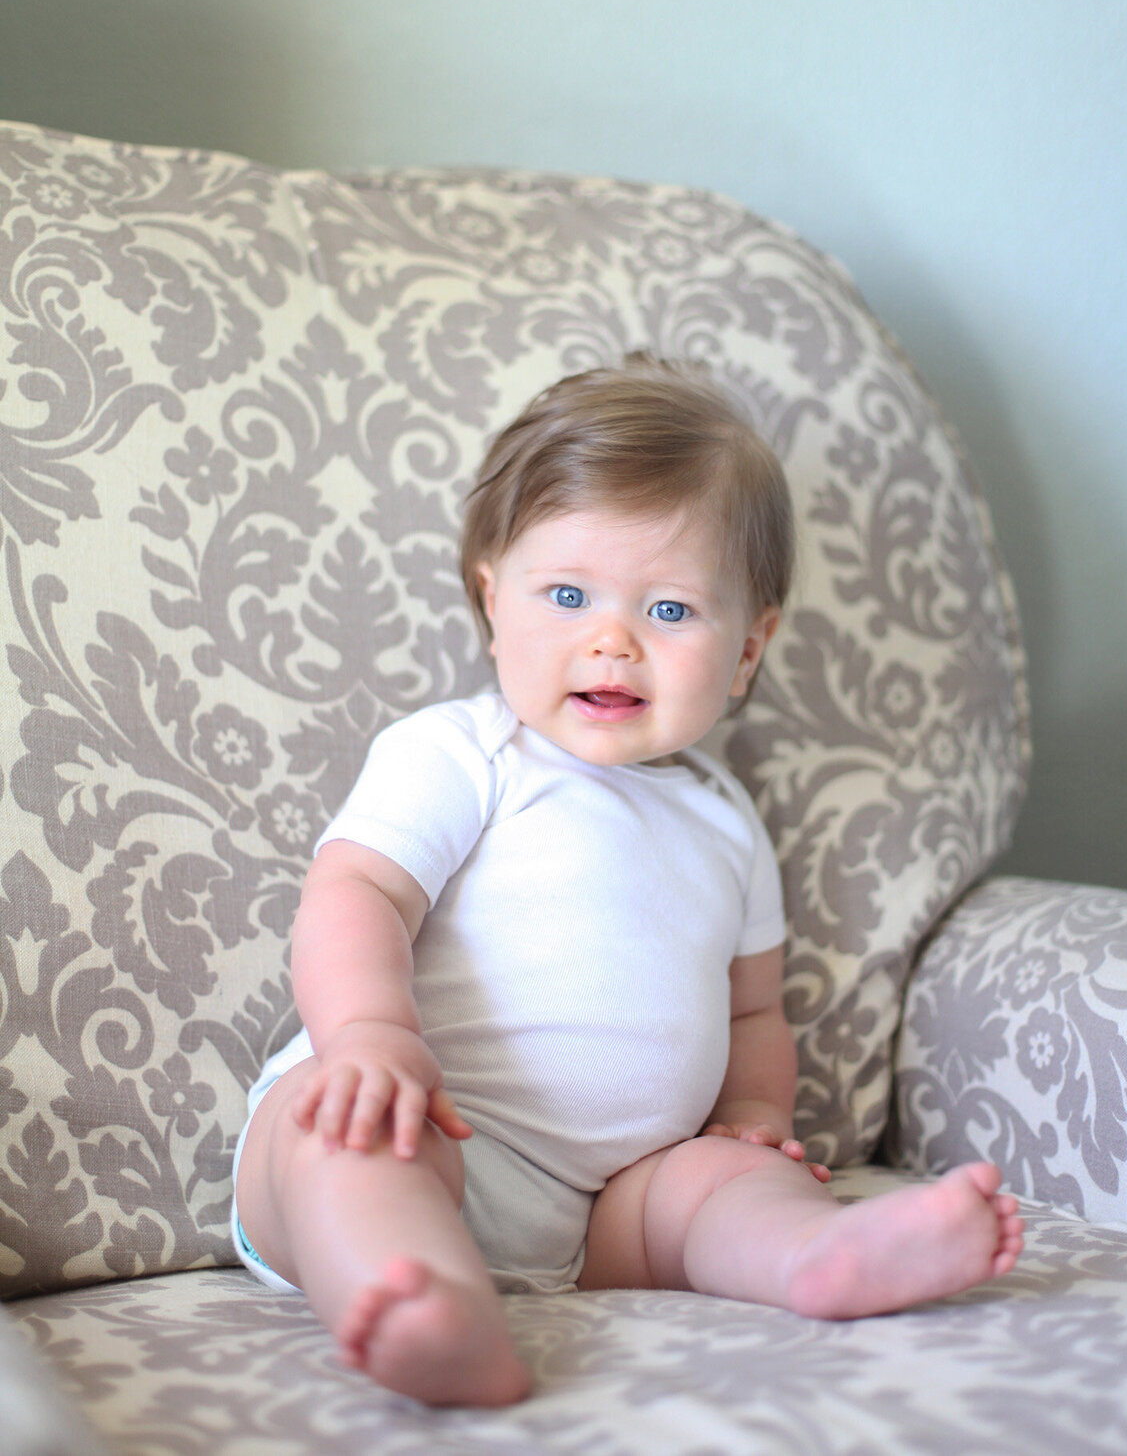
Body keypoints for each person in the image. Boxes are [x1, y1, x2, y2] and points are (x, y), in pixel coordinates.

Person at [231, 354, 1024, 1407]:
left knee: (731, 1183)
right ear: (492, 600)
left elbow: (753, 1007)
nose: (611, 640)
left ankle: (814, 1260)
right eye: (567, 595)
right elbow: (355, 894)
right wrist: (370, 1036)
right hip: (414, 1109)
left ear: (749, 649)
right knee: (341, 1145)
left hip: (608, 1208)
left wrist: (749, 1112)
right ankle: (413, 1292)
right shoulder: (465, 753)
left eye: (672, 612)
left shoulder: (725, 821)